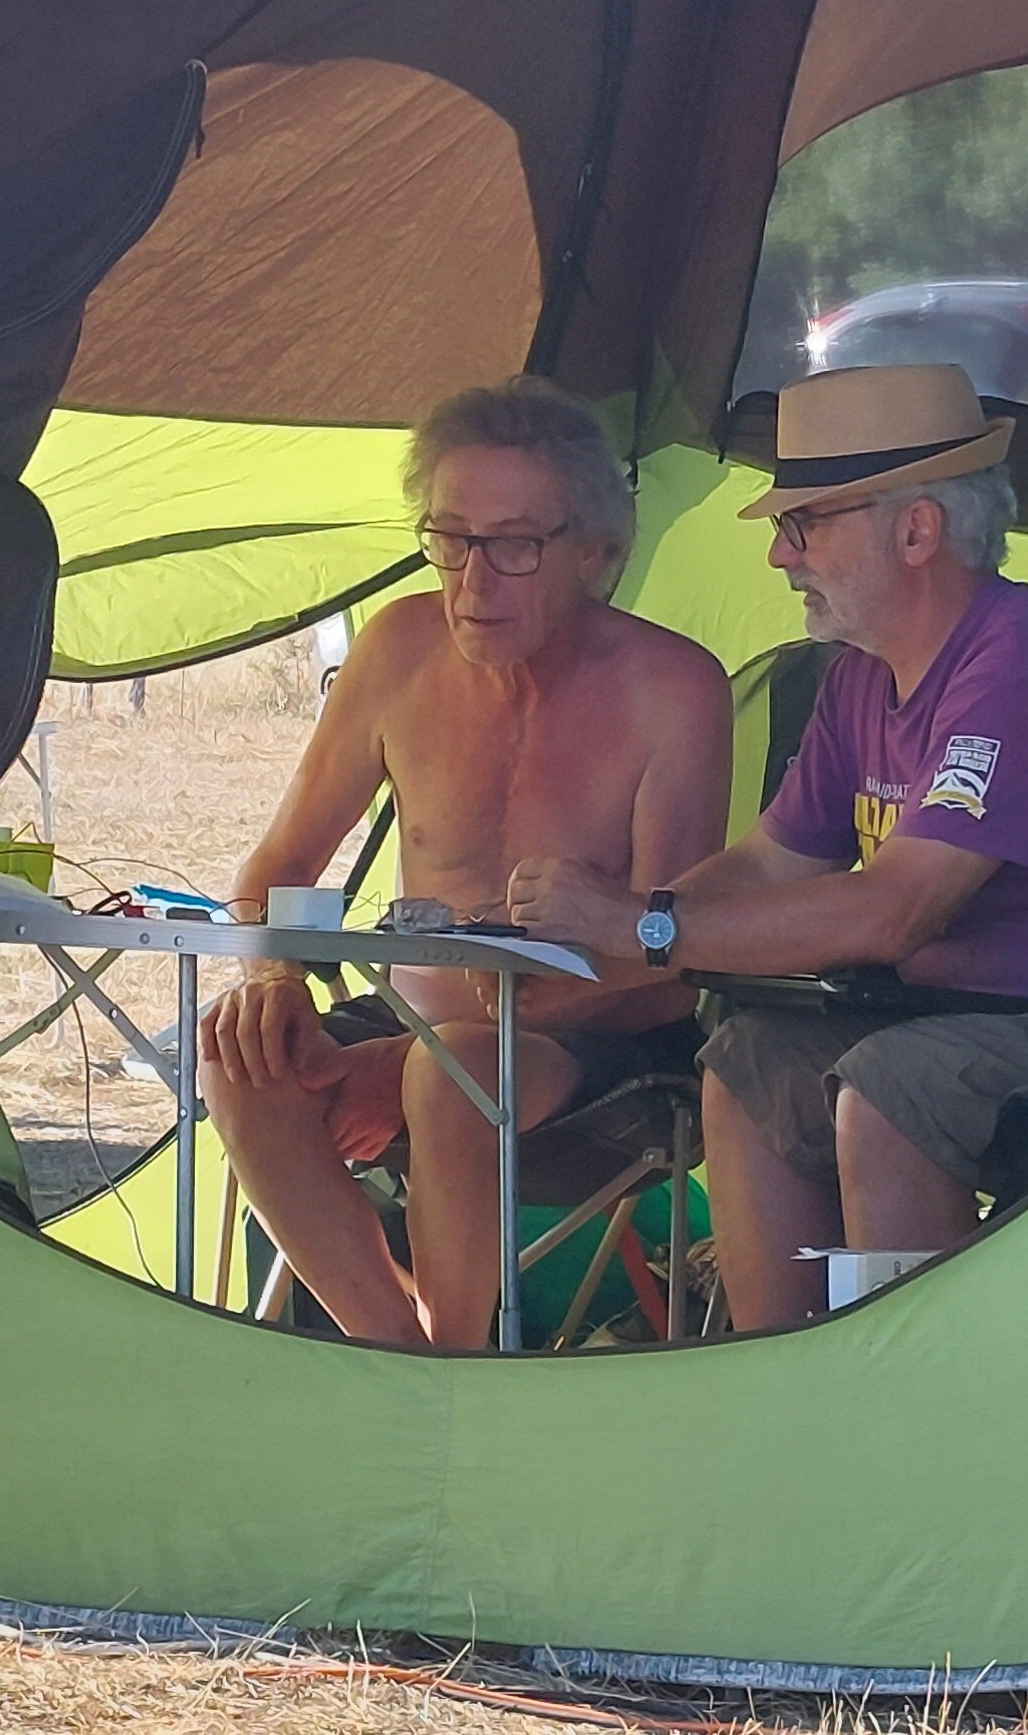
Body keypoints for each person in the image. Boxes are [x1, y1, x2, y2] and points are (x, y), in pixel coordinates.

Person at [516, 363, 1028, 1328]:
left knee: (892, 1090)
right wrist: (590, 948)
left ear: (917, 531)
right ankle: (778, 1374)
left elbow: (894, 912)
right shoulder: (862, 678)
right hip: (984, 1011)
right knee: (750, 1064)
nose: (778, 557)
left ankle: (910, 1391)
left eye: (803, 526)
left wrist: (642, 929)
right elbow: (768, 865)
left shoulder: (1016, 675)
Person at [198, 379, 731, 1347]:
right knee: (240, 1060)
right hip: (413, 1027)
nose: (474, 582)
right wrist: (272, 980)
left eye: (515, 546)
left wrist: (418, 1057)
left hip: (600, 1049)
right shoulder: (398, 648)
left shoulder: (672, 686)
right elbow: (281, 861)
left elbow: (670, 958)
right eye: (450, 539)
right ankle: (402, 1356)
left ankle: (450, 1358)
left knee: (454, 1079)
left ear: (594, 552)